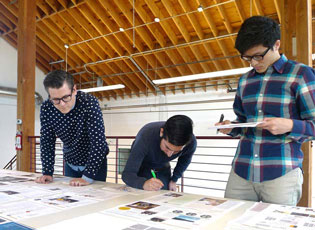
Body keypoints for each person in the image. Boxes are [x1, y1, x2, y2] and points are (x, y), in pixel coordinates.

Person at [217, 16, 315, 206]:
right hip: (241, 171)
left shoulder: (301, 75)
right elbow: (244, 122)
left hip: (281, 173)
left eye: (258, 56)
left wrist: (290, 125)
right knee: (230, 222)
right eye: (247, 58)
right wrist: (232, 127)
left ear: (276, 45)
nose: (253, 63)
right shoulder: (244, 81)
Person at [35, 70, 109, 186]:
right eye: (56, 99)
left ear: (74, 90)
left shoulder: (89, 103)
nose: (62, 104)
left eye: (65, 97)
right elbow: (47, 141)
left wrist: (87, 177)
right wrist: (47, 172)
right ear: (50, 96)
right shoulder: (47, 108)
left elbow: (98, 143)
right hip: (70, 161)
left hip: (94, 164)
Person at [122, 115, 197, 191]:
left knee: (163, 192)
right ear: (161, 132)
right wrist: (143, 183)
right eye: (167, 147)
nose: (169, 155)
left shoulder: (191, 143)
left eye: (176, 151)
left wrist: (174, 180)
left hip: (162, 166)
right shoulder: (146, 136)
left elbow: (184, 161)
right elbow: (127, 174)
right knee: (139, 191)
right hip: (142, 165)